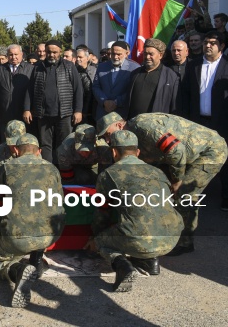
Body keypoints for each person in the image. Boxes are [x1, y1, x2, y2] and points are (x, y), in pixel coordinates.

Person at [97, 112, 228, 256]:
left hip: (209, 152)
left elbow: (176, 150)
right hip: (184, 156)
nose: (108, 140)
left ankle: (184, 242)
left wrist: (177, 180)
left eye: (108, 134)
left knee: (185, 195)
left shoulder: (143, 126)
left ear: (119, 125)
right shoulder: (133, 136)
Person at [86, 130, 184, 292]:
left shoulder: (109, 175)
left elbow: (102, 214)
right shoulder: (158, 172)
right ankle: (151, 261)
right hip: (172, 238)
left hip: (138, 238)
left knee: (103, 243)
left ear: (113, 152)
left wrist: (96, 238)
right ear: (138, 152)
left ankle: (123, 266)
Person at [0, 133, 65, 307]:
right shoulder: (52, 169)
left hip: (17, 237)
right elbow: (59, 203)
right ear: (39, 151)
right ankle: (37, 258)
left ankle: (18, 271)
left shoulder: (7, 167)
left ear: (16, 150)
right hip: (50, 236)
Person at [185, 31, 228, 211]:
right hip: (198, 123)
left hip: (222, 123)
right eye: (206, 42)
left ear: (222, 46)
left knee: (224, 161)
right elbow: (187, 95)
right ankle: (194, 196)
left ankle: (226, 197)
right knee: (197, 160)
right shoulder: (193, 65)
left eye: (212, 43)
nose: (208, 46)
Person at [24, 40, 83, 163]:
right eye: (49, 52)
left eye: (55, 52)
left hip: (64, 114)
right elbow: (30, 90)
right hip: (43, 114)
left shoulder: (69, 67)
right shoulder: (37, 67)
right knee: (45, 145)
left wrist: (78, 110)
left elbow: (78, 90)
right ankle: (49, 171)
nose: (52, 55)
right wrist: (27, 109)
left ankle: (64, 173)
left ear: (60, 52)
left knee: (65, 144)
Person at [126, 38, 178, 119]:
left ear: (160, 55)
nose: (147, 57)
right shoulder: (134, 73)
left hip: (157, 124)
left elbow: (174, 105)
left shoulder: (171, 76)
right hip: (133, 122)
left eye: (151, 54)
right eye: (145, 53)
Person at [0, 44, 33, 140]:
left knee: (22, 141)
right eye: (10, 54)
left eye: (16, 54)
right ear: (7, 55)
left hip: (22, 111)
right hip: (5, 112)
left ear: (21, 54)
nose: (13, 57)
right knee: (6, 140)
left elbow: (32, 91)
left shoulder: (30, 69)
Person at [91, 41, 140, 120]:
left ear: (126, 53)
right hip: (103, 113)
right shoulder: (102, 67)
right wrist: (104, 101)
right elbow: (96, 86)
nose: (115, 57)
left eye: (119, 54)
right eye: (113, 54)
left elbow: (134, 90)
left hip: (122, 115)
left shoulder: (134, 68)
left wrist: (116, 102)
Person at [0, 120, 25, 184]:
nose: (14, 145)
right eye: (12, 142)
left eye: (18, 141)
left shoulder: (32, 150)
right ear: (5, 136)